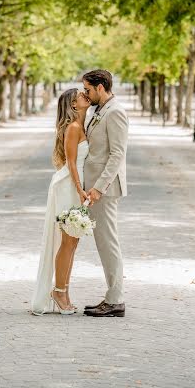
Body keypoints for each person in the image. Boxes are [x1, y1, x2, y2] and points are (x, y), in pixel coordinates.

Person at [31, 88, 91, 315]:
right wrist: (79, 189)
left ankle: (63, 291)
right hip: (68, 186)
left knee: (72, 242)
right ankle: (58, 291)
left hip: (75, 186)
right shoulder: (73, 128)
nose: (85, 96)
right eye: (81, 96)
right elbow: (72, 163)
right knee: (67, 242)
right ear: (74, 105)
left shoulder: (81, 125)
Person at [82, 69, 128, 318]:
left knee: (109, 242)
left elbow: (117, 155)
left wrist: (99, 187)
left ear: (101, 87)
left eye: (88, 90)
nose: (86, 95)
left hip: (105, 189)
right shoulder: (98, 111)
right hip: (94, 186)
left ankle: (115, 300)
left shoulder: (116, 112)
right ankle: (112, 297)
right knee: (103, 243)